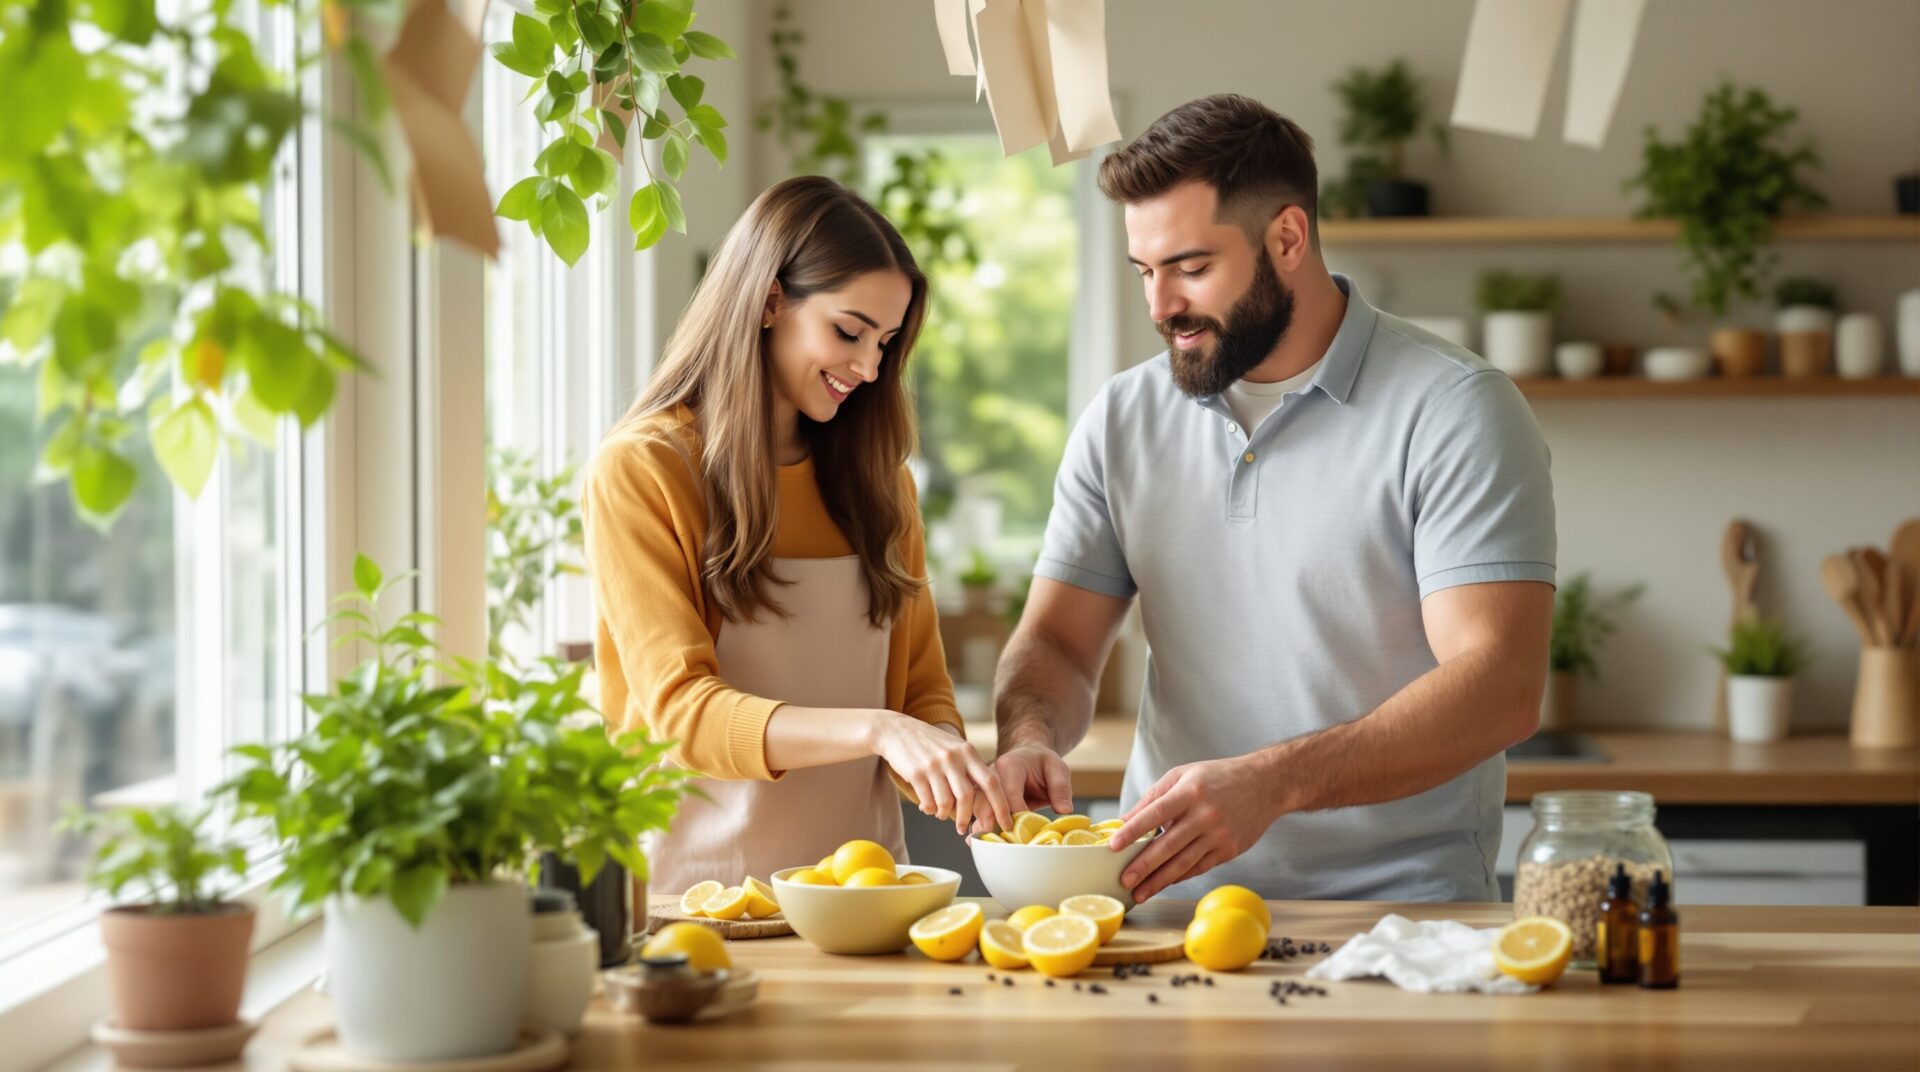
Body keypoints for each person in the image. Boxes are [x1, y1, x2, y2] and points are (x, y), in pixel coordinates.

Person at [990, 94, 1556, 903]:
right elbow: (1058, 644)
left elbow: (1499, 685)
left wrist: (1275, 783)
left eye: (1190, 268)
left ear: (1287, 237)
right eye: (1145, 272)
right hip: (1161, 908)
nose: (1160, 308)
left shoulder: (1454, 408)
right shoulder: (1122, 418)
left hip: (1399, 917)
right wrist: (1029, 736)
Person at [585, 176, 1011, 894]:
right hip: (698, 904)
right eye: (848, 331)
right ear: (770, 300)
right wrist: (877, 732)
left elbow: (921, 694)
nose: (870, 367)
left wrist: (948, 768)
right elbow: (679, 715)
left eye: (885, 341)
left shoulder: (882, 484)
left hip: (866, 899)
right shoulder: (645, 469)